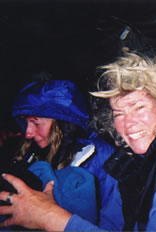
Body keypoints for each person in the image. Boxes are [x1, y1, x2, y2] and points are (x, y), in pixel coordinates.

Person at [1, 50, 156, 231]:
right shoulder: (127, 166)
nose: (128, 123)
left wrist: (49, 216)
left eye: (138, 107)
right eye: (119, 113)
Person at [0, 80, 123, 231]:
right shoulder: (31, 153)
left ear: (61, 123)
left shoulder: (101, 156)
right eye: (26, 124)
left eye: (36, 123)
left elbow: (115, 223)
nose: (28, 133)